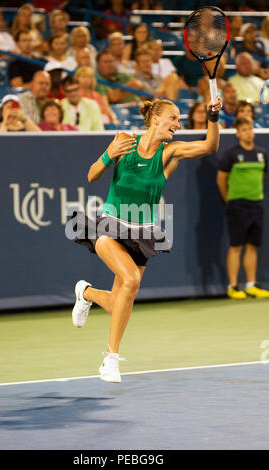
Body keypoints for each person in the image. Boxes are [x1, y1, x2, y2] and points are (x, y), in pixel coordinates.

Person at [69, 95, 222, 383]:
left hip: (142, 233)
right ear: (155, 119)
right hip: (109, 227)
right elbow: (91, 176)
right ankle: (110, 359)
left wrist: (213, 117)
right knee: (130, 280)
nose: (177, 123)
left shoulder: (170, 153)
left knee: (118, 303)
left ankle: (85, 293)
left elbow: (210, 146)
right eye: (173, 118)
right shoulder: (125, 141)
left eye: (178, 119)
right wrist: (109, 154)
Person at [216, 116, 269, 300]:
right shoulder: (231, 154)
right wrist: (229, 199)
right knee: (236, 246)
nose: (249, 132)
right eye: (244, 130)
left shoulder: (262, 153)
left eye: (250, 129)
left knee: (252, 246)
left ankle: (251, 285)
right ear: (238, 133)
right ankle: (233, 286)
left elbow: (260, 176)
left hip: (257, 204)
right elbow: (221, 180)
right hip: (237, 205)